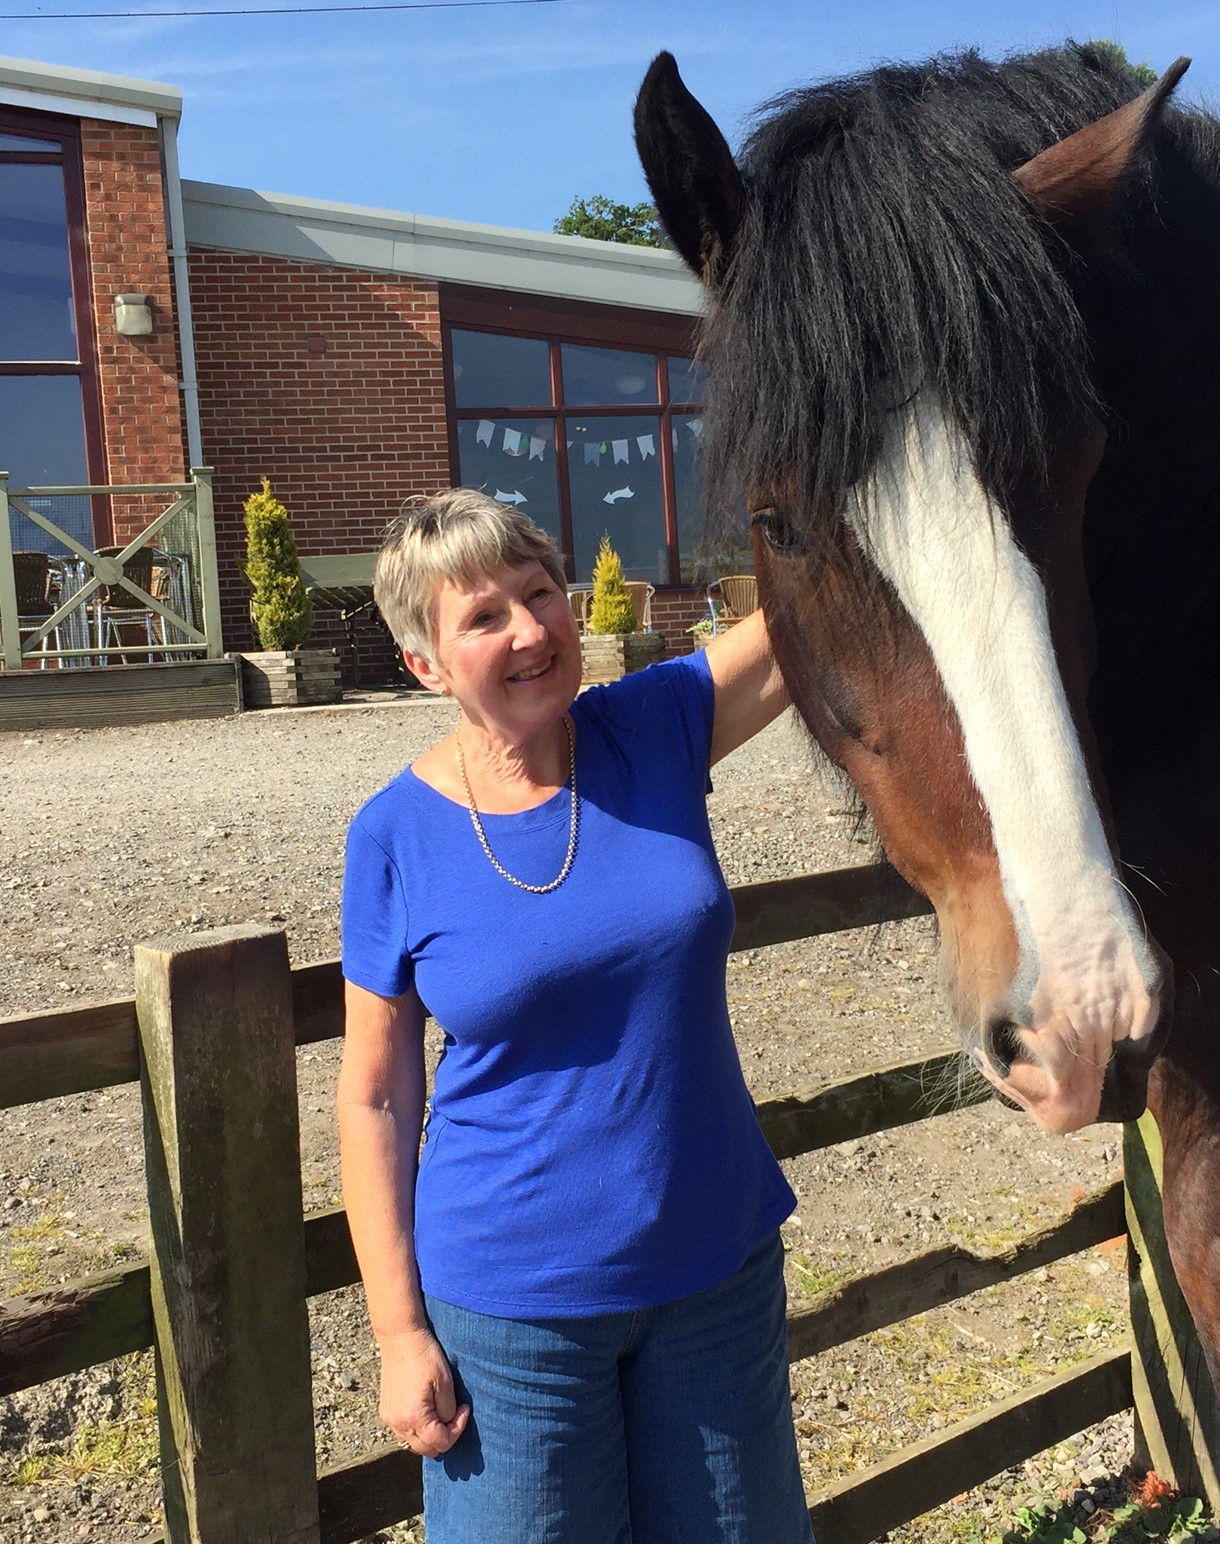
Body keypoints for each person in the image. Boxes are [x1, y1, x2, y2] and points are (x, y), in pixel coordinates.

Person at [338, 489, 812, 1544]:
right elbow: (373, 1093)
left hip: (713, 1275)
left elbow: (808, 607)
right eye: (482, 615)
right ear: (424, 664)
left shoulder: (652, 724)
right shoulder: (393, 835)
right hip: (512, 1315)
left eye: (539, 592)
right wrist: (396, 1330)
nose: (528, 629)